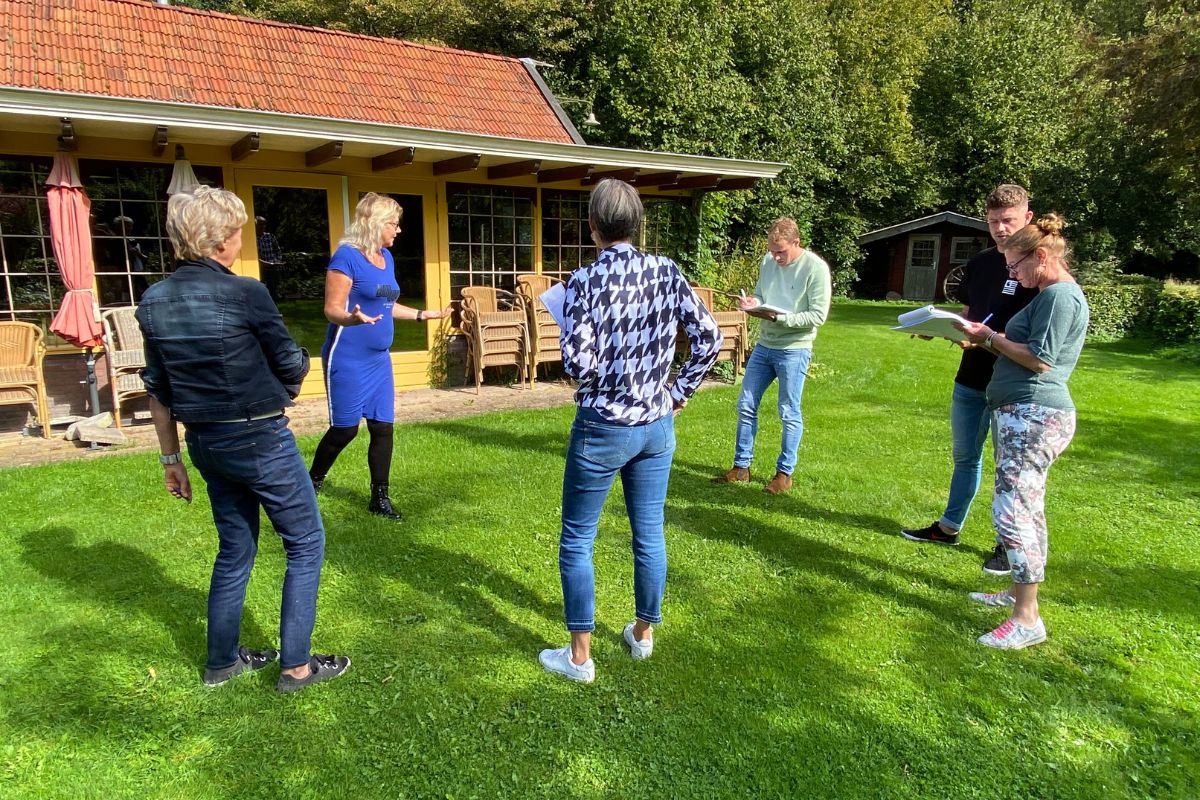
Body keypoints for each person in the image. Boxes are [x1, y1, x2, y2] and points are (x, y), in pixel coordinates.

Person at [136, 186, 349, 693]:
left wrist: (170, 459)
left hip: (204, 444)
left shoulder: (153, 301)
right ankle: (297, 667)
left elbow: (159, 393)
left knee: (235, 549)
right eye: (237, 232)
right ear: (222, 240)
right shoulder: (245, 292)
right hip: (258, 440)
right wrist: (291, 379)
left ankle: (222, 663)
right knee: (305, 543)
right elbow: (289, 361)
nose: (239, 240)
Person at [539, 179, 721, 683]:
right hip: (656, 424)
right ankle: (642, 633)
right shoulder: (666, 271)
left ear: (593, 226)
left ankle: (579, 658)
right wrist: (679, 391)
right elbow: (709, 337)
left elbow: (578, 365)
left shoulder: (584, 282)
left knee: (577, 538)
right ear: (636, 223)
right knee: (649, 532)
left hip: (602, 426)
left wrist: (567, 320)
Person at [957, 214, 1089, 649]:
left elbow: (1040, 359)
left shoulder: (1059, 297)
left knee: (1011, 511)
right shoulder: (1051, 294)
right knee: (1028, 508)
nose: (1013, 276)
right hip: (1023, 411)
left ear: (1042, 257)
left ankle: (1027, 618)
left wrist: (989, 337)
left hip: (1035, 414)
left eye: (1016, 267)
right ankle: (1016, 592)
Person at [901, 184, 1038, 576]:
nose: (999, 228)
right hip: (971, 379)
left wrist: (989, 338)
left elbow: (1035, 336)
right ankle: (949, 528)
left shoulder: (1036, 267)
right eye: (993, 221)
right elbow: (969, 319)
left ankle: (1006, 544)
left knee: (1009, 467)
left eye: (1007, 220)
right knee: (965, 457)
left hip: (1013, 382)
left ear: (1027, 218)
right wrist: (944, 329)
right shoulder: (979, 264)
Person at [307, 193, 451, 520]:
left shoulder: (386, 257)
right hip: (348, 357)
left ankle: (380, 498)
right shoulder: (346, 258)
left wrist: (421, 315)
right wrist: (351, 318)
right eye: (393, 224)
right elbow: (332, 309)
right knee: (345, 430)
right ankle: (311, 482)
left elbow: (386, 304)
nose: (398, 230)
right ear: (375, 224)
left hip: (379, 360)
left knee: (383, 427)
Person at [713, 217, 831, 494]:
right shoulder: (768, 261)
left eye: (781, 251)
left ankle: (784, 474)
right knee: (745, 404)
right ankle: (741, 467)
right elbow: (760, 295)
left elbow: (818, 315)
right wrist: (753, 303)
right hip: (766, 345)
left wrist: (779, 319)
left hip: (795, 347)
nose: (776, 256)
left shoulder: (815, 268)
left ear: (796, 243)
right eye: (772, 250)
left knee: (788, 411)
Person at [254, 215, 284, 298]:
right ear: (255, 225)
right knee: (261, 290)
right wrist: (264, 263)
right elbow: (254, 257)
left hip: (273, 268)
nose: (262, 227)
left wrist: (277, 261)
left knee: (273, 290)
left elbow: (277, 250)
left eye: (264, 224)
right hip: (261, 269)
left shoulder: (270, 236)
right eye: (260, 224)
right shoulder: (252, 238)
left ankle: (273, 308)